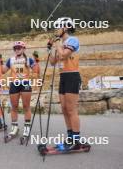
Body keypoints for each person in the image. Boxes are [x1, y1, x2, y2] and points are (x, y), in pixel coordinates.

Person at [48, 17, 82, 150]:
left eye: (58, 27)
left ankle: (76, 139)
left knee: (71, 109)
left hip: (72, 76)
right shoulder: (60, 43)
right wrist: (50, 48)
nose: (56, 29)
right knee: (64, 108)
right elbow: (53, 61)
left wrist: (57, 44)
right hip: (63, 76)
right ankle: (70, 136)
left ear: (66, 27)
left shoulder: (72, 40)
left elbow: (63, 55)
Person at [2, 41, 38, 138]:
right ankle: (14, 128)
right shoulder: (11, 60)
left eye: (19, 48)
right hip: (14, 84)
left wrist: (36, 60)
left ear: (23, 49)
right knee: (14, 107)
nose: (17, 50)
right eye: (15, 48)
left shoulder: (28, 60)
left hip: (25, 83)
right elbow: (2, 71)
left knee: (26, 106)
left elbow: (37, 71)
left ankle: (26, 128)